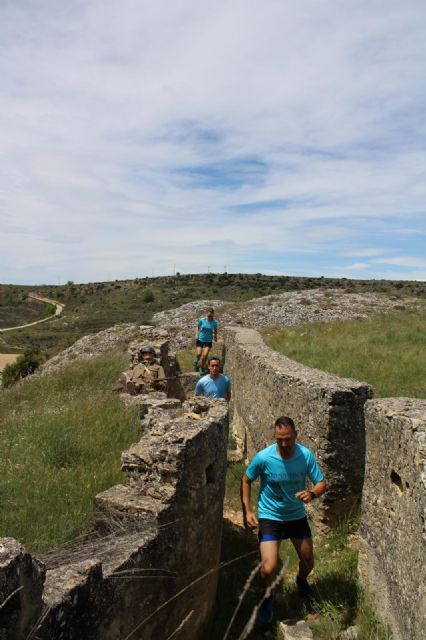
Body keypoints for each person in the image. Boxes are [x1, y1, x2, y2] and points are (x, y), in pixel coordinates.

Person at [241, 416, 327, 623]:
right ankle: (267, 598)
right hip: (270, 517)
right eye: (280, 439)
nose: (284, 444)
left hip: (296, 517)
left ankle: (301, 580)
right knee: (268, 568)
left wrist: (312, 493)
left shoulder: (305, 456)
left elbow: (321, 482)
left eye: (288, 439)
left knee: (308, 562)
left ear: (296, 435)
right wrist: (247, 511)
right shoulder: (264, 458)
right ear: (275, 437)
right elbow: (246, 479)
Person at [193, 308, 218, 373]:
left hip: (208, 340)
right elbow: (197, 327)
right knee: (199, 354)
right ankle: (197, 359)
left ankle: (201, 367)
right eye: (209, 315)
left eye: (211, 316)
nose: (210, 317)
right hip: (200, 339)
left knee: (205, 355)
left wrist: (215, 337)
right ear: (206, 314)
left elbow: (215, 330)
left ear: (213, 315)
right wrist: (196, 334)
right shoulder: (202, 320)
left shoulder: (214, 322)